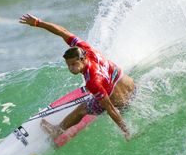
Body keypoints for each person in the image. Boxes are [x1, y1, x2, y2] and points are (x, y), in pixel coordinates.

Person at [19, 13, 136, 141]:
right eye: (68, 65)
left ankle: (56, 131)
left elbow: (110, 109)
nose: (71, 68)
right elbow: (63, 32)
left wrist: (126, 131)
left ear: (82, 59)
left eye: (74, 64)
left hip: (121, 102)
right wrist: (38, 23)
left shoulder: (92, 81)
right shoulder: (85, 49)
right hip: (132, 88)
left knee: (82, 109)